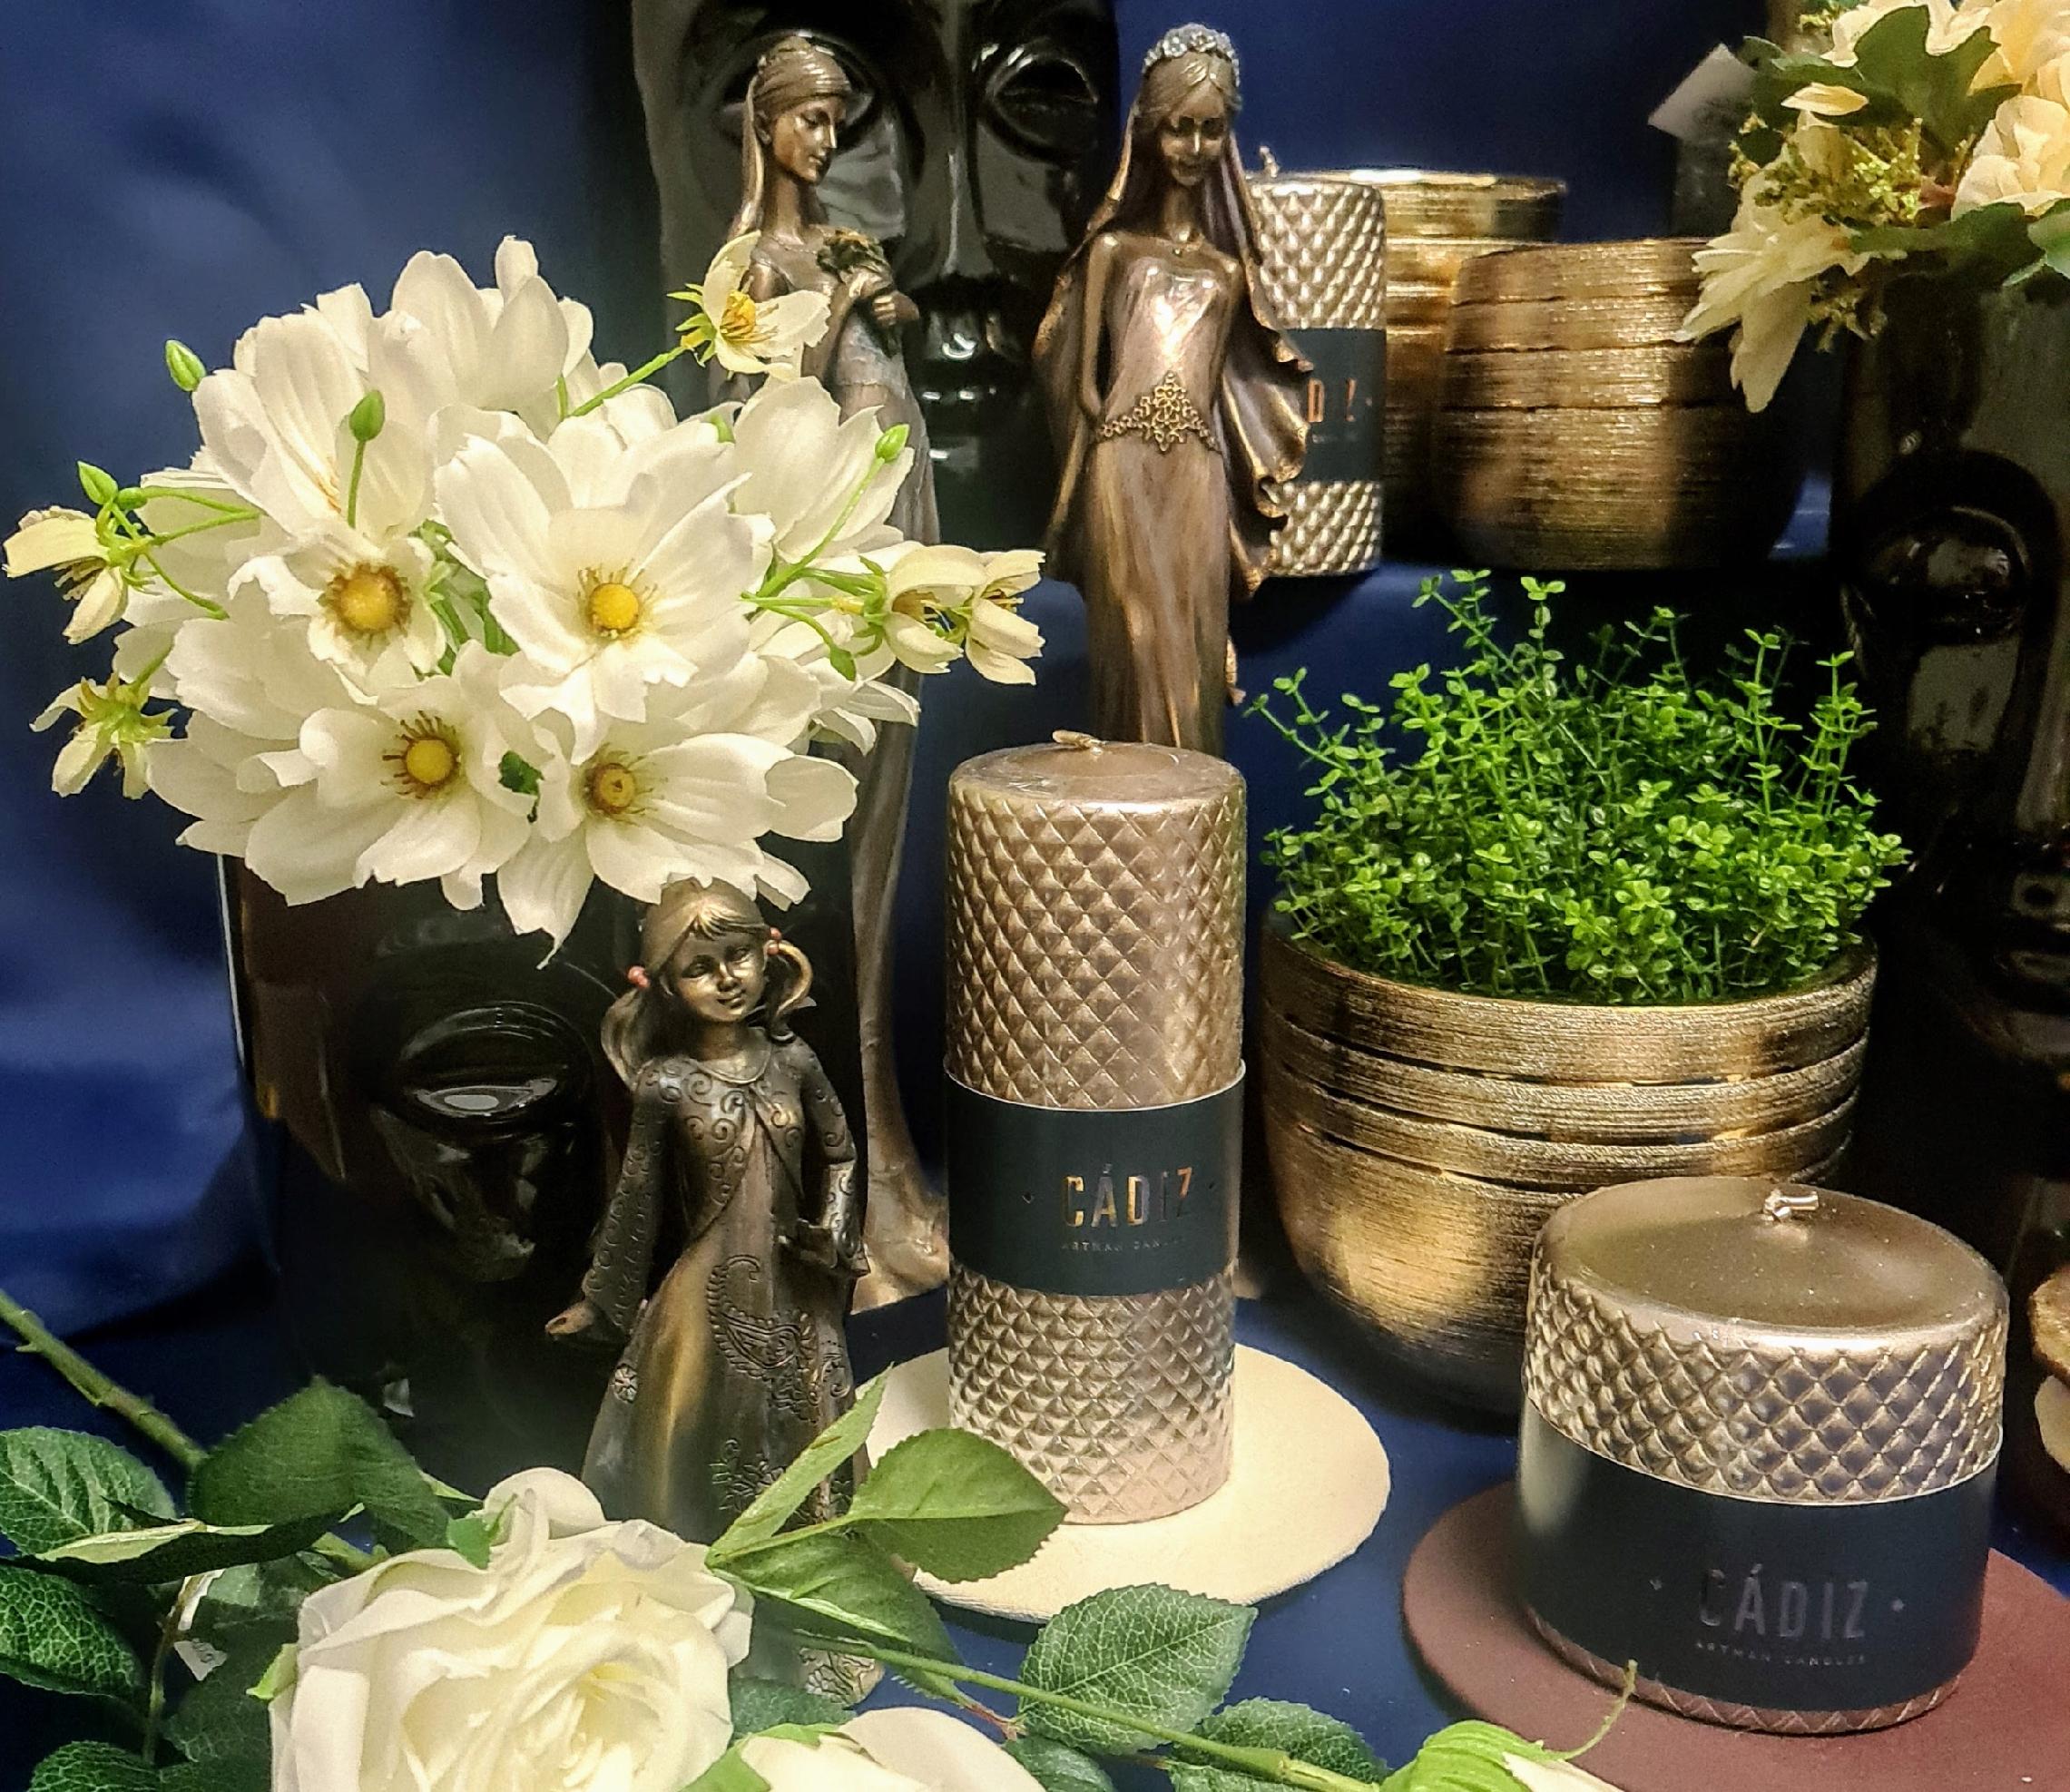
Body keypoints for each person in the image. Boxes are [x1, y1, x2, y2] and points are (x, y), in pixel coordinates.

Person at [726, 34, 941, 1300]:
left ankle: (891, 1165)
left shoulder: (846, 245)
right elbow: (751, 405)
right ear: (763, 125)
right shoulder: (753, 263)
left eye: (836, 119)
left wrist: (884, 313)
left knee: (886, 845)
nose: (825, 138)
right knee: (836, 853)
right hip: (819, 544)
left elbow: (886, 376)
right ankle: (841, 1186)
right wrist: (845, 316)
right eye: (808, 117)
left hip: (894, 523)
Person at [547, 878, 865, 1543]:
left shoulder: (794, 1059)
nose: (726, 979)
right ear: (663, 986)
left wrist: (833, 1232)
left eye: (737, 955)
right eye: (699, 967)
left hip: (795, 1276)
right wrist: (600, 1299)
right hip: (702, 1293)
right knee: (691, 1414)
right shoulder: (664, 1084)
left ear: (767, 951)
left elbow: (840, 1154)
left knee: (808, 1413)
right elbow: (637, 1197)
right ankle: (688, 1556)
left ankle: (816, 1551)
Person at [1034, 23, 1307, 755]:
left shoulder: (1227, 272)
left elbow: (1225, 386)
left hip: (1196, 469)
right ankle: (1129, 795)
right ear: (1149, 132)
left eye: (1210, 130)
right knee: (1127, 639)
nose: (1192, 147)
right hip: (1122, 467)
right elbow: (1081, 386)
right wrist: (1105, 450)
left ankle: (1192, 803)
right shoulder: (1113, 251)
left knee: (1191, 641)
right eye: (1177, 128)